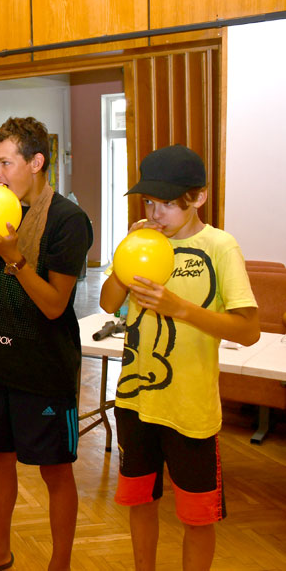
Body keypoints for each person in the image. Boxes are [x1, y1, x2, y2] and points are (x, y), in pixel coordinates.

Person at [99, 144, 259, 571]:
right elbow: (109, 302)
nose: (155, 213)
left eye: (168, 203)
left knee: (197, 517)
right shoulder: (144, 241)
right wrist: (126, 251)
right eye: (150, 201)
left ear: (198, 198)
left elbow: (248, 329)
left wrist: (181, 309)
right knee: (139, 502)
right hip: (136, 403)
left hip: (191, 411)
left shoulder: (220, 247)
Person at [0, 117, 92, 571]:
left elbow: (54, 305)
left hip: (46, 368)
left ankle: (60, 564)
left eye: (5, 163)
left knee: (55, 471)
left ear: (36, 162)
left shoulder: (69, 221)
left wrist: (14, 257)